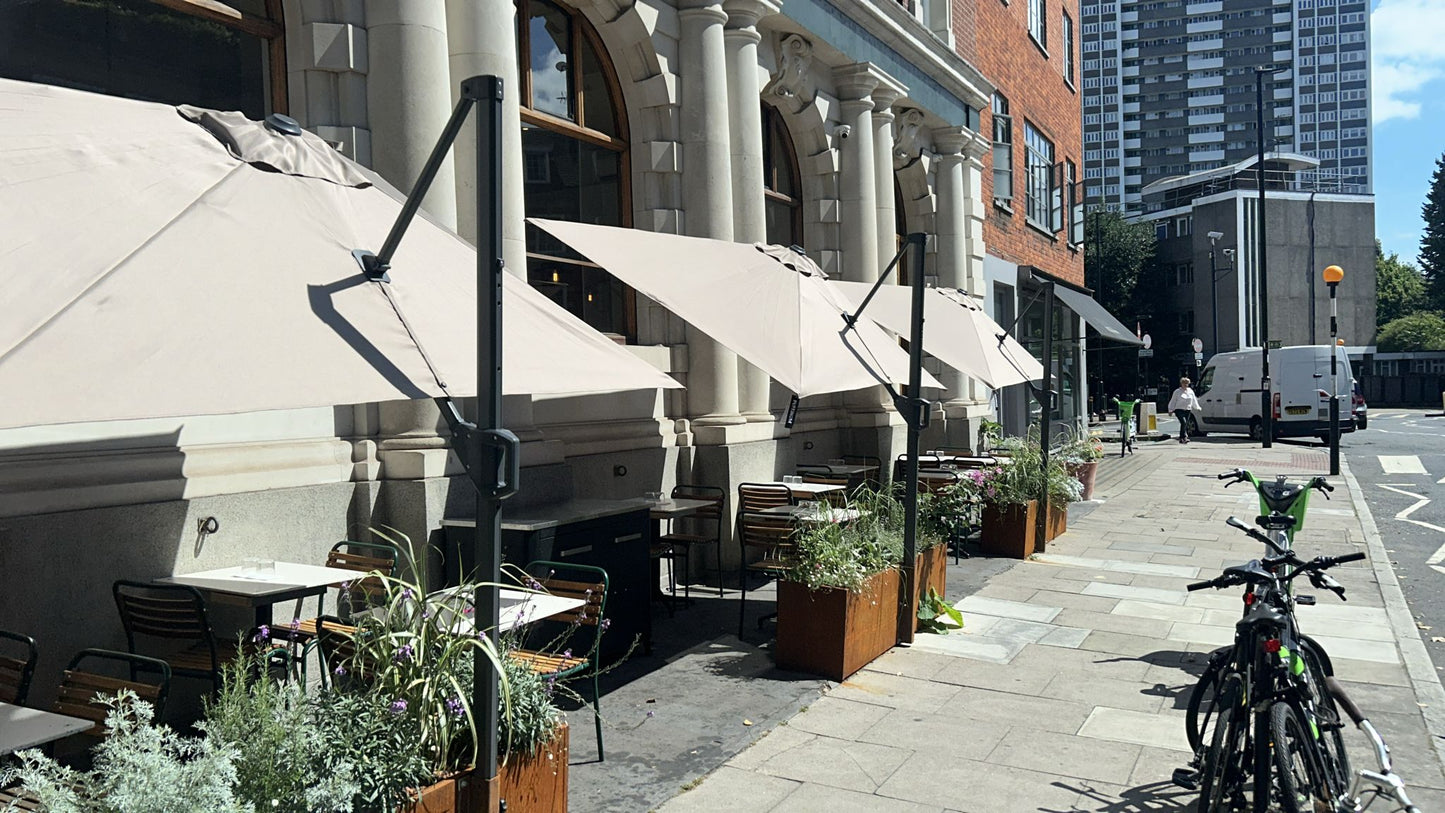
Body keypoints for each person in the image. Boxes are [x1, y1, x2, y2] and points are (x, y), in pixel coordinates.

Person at [1168, 377, 1201, 443]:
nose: (1185, 384)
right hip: (1179, 409)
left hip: (1187, 409)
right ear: (1181, 383)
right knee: (1184, 422)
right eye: (1184, 383)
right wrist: (1170, 410)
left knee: (1185, 424)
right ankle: (1183, 437)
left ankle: (1183, 438)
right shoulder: (1177, 391)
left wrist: (1197, 407)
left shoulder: (1190, 391)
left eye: (1187, 383)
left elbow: (1193, 400)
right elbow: (1173, 401)